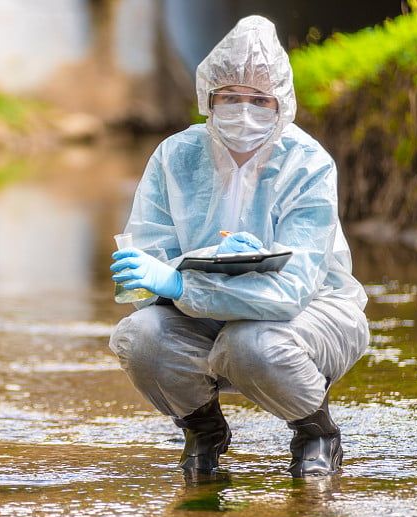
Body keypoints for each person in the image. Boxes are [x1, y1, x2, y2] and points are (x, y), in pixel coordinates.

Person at [108, 15, 369, 477]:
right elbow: (151, 255)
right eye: (230, 97)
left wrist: (184, 280)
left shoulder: (308, 164)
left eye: (259, 100)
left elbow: (293, 291)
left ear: (281, 104)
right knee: (141, 336)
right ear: (208, 99)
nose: (244, 111)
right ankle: (203, 429)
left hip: (306, 315)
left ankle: (316, 430)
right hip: (201, 317)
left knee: (250, 343)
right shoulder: (175, 156)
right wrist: (151, 276)